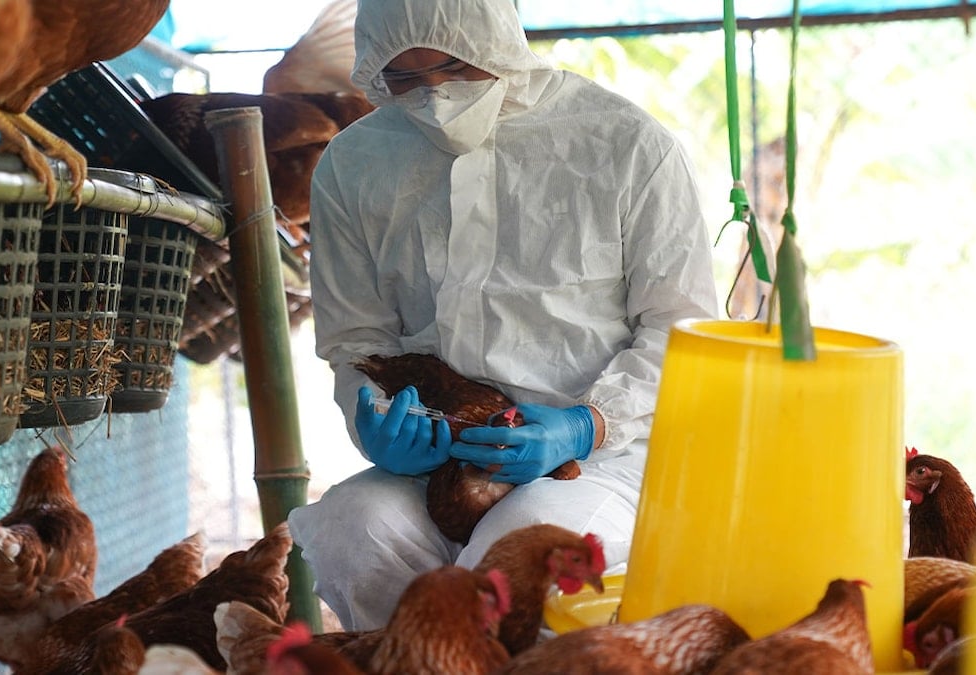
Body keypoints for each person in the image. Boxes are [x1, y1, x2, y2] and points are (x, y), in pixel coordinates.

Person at [287, 0, 719, 632]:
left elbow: (682, 326)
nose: (432, 94)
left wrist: (587, 423)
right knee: (357, 528)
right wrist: (373, 417)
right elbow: (358, 338)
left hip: (604, 454)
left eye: (452, 67)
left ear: (497, 46)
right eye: (404, 79)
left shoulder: (624, 144)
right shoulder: (355, 163)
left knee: (521, 550)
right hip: (443, 451)